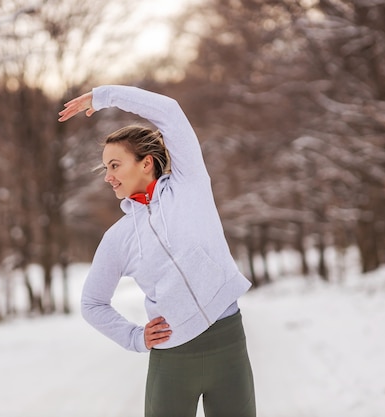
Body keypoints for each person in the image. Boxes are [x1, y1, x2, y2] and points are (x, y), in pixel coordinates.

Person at [58, 85, 256, 417]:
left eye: (115, 165)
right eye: (106, 168)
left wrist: (103, 96)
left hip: (228, 345)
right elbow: (92, 303)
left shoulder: (189, 185)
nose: (108, 177)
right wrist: (135, 337)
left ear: (146, 163)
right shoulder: (118, 238)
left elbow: (170, 112)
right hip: (172, 361)